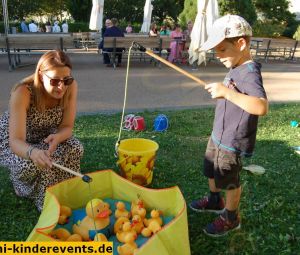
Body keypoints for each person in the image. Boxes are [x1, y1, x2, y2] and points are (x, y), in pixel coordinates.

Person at [189, 14, 268, 237]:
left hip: (232, 140)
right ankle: (215, 200)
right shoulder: (236, 66)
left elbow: (261, 107)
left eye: (222, 49)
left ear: (241, 43)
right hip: (219, 134)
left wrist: (226, 93)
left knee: (228, 178)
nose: (217, 55)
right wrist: (226, 94)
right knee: (211, 169)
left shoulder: (250, 72)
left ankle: (231, 217)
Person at [0, 50, 84, 211]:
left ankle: (62, 186)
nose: (61, 86)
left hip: (46, 135)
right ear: (40, 75)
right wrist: (32, 152)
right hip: (17, 140)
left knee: (75, 148)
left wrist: (58, 137)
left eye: (67, 79)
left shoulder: (70, 86)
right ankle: (24, 188)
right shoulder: (23, 92)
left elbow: (67, 127)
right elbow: (15, 141)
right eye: (54, 81)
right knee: (32, 163)